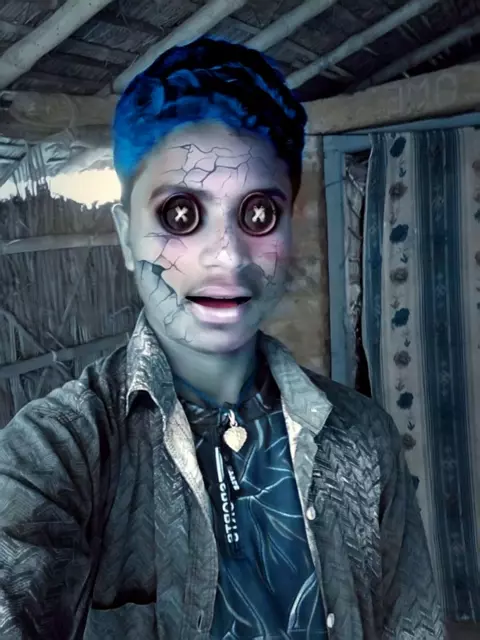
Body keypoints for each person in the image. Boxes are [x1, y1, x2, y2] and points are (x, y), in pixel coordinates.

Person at [0, 37, 443, 640]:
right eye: (180, 214)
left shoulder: (365, 440)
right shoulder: (61, 452)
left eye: (258, 213)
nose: (228, 257)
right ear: (126, 236)